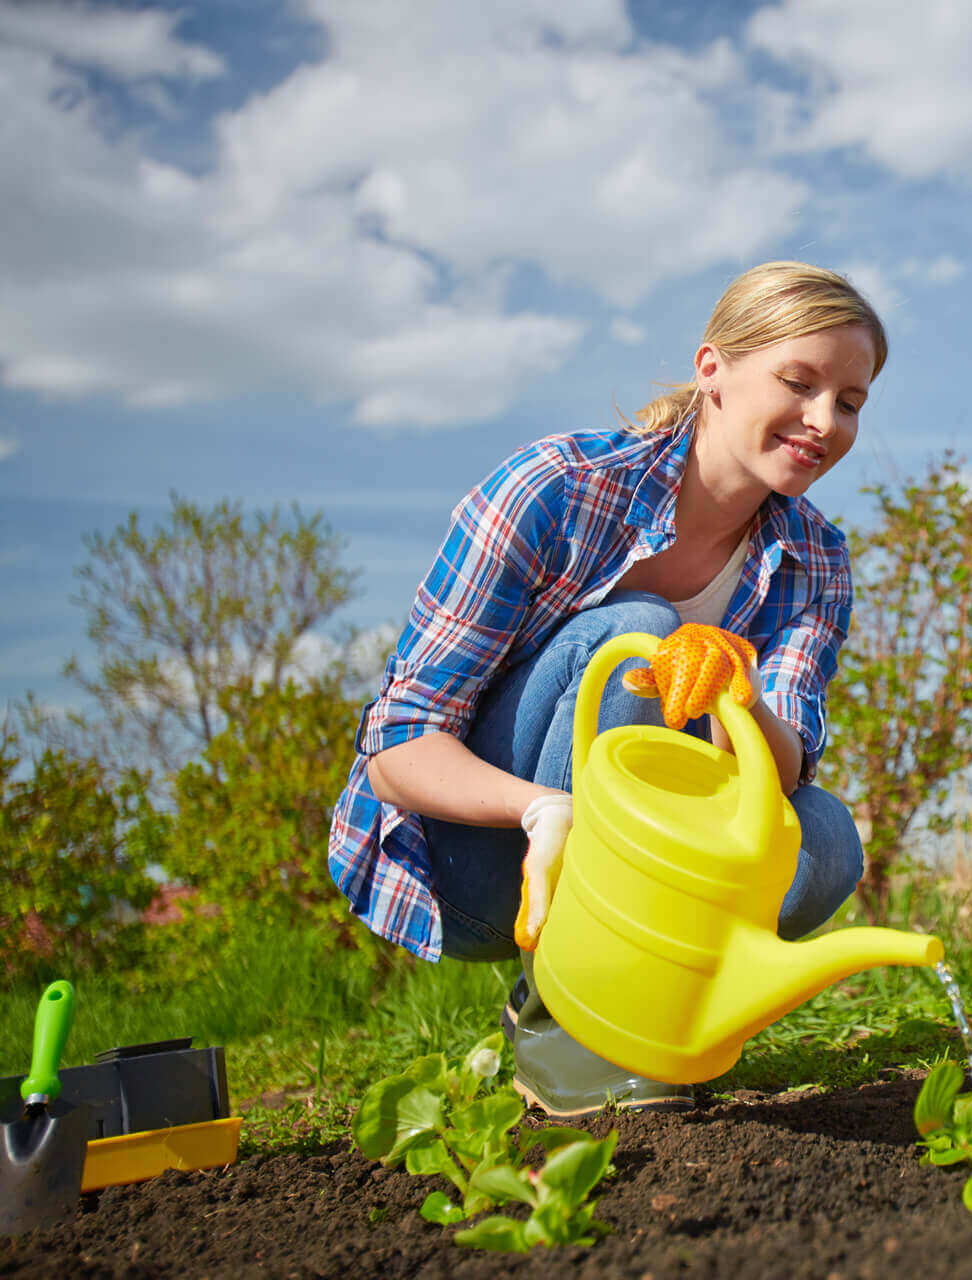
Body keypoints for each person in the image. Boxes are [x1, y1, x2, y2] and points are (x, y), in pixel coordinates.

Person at [328, 261, 886, 1115]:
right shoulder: (555, 490)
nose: (822, 420)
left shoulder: (816, 560)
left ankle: (632, 1001)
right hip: (490, 861)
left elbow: (785, 767)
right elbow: (397, 750)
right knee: (637, 637)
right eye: (798, 382)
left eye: (848, 402)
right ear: (713, 371)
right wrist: (545, 809)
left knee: (825, 840)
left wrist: (738, 692)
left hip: (639, 864)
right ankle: (566, 1017)